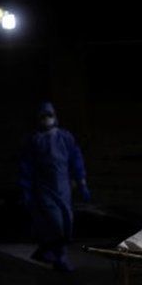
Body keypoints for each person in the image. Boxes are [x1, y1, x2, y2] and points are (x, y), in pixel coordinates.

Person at [19, 101, 91, 272]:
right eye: (43, 116)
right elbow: (26, 166)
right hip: (44, 188)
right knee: (55, 223)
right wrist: (26, 189)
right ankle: (60, 256)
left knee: (67, 224)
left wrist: (81, 181)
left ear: (55, 116)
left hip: (64, 187)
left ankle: (45, 251)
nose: (47, 119)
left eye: (49, 115)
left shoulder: (65, 137)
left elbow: (75, 158)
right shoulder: (34, 140)